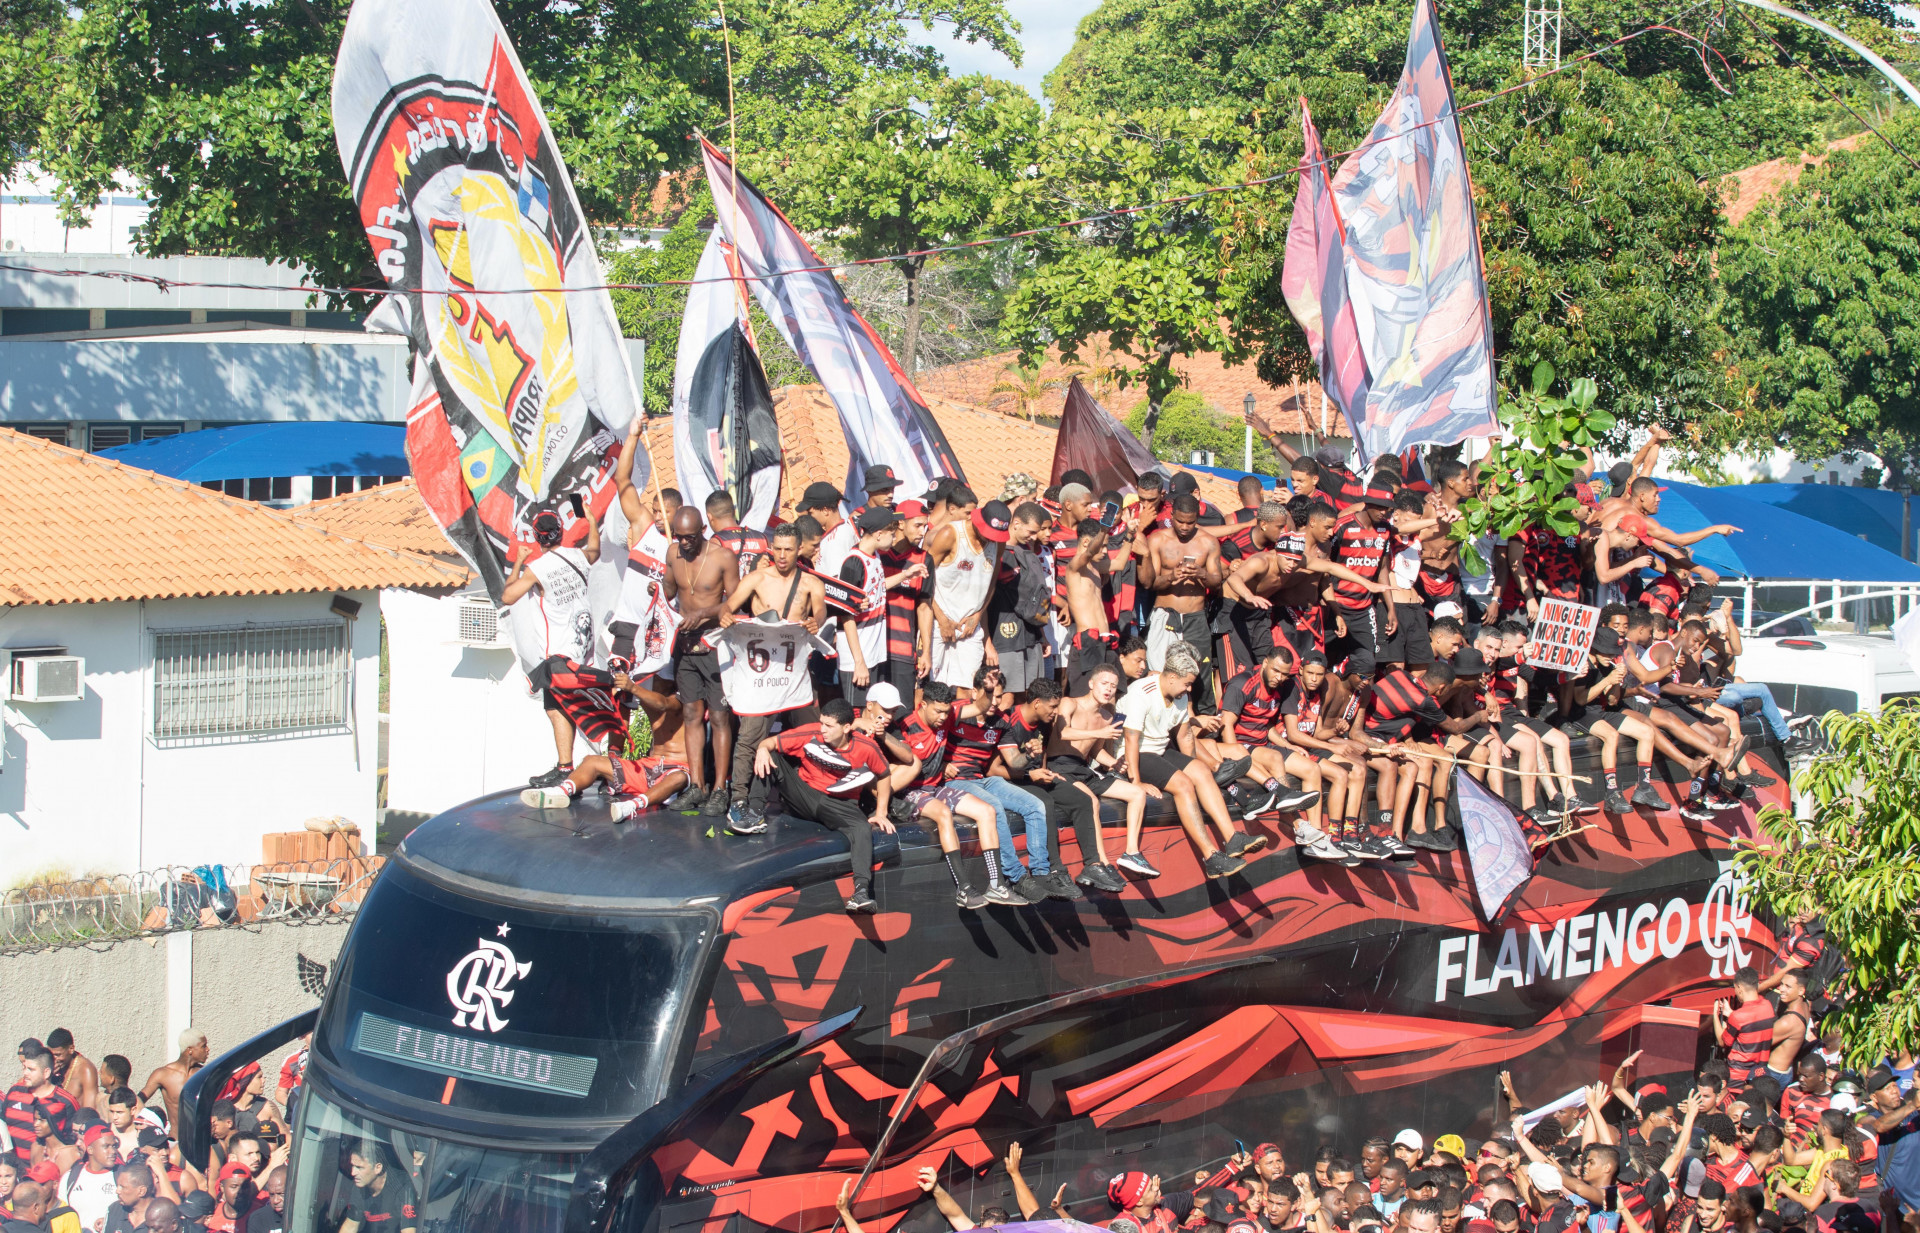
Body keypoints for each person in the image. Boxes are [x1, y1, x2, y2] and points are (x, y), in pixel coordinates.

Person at [717, 522, 829, 832]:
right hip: (761, 672)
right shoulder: (757, 578)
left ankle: (807, 794)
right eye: (776, 549)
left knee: (810, 733)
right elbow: (727, 605)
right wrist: (725, 615)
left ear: (798, 550)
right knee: (751, 735)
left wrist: (813, 621)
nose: (781, 556)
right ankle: (737, 802)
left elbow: (820, 612)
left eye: (788, 550)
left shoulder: (811, 583)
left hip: (794, 672)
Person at [1118, 641, 1258, 879]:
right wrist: (1136, 781)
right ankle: (1211, 856)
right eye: (1187, 683)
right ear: (1171, 677)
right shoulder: (1141, 693)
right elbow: (1130, 740)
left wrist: (1194, 767)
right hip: (1131, 754)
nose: (1190, 689)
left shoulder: (1179, 695)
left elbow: (1184, 735)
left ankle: (1232, 838)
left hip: (1158, 749)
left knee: (1201, 772)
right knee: (1183, 784)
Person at [752, 699, 893, 913]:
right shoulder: (811, 733)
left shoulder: (866, 747)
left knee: (863, 829)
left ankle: (861, 892)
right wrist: (762, 748)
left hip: (840, 804)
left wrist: (881, 812)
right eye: (822, 723)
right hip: (803, 795)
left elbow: (884, 774)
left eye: (829, 726)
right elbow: (770, 743)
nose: (822, 729)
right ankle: (752, 814)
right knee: (771, 757)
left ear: (846, 728)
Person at [501, 506, 601, 789]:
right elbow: (595, 549)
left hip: (559, 653)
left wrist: (519, 562)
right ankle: (569, 765)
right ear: (561, 531)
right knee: (565, 708)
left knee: (557, 707)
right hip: (583, 650)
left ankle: (566, 767)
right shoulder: (578, 556)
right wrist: (592, 521)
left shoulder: (538, 569)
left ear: (537, 538)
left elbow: (508, 596)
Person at [658, 503, 740, 814]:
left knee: (719, 717)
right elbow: (667, 592)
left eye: (690, 537)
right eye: (680, 537)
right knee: (691, 715)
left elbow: (736, 601)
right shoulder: (673, 553)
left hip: (715, 643)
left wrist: (704, 614)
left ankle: (720, 789)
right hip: (685, 646)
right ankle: (697, 786)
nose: (685, 543)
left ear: (703, 531)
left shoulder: (722, 557)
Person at [1138, 494, 1226, 713]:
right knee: (1160, 670)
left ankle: (1205, 722)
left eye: (1190, 522)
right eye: (1180, 521)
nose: (1185, 527)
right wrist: (1171, 576)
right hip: (1165, 615)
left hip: (1195, 617)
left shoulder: (1208, 542)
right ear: (1171, 516)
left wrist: (1201, 573)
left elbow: (1216, 581)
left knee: (1201, 670)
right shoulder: (1158, 540)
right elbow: (1150, 583)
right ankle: (1157, 718)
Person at [926, 489, 1000, 689]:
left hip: (970, 627)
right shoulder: (951, 534)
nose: (990, 538)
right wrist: (941, 619)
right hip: (937, 623)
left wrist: (979, 613)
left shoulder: (997, 542)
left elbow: (991, 582)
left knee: (967, 689)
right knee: (928, 689)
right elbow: (924, 578)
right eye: (988, 533)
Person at [6, 1045, 78, 1168]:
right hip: (11, 1175)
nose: (25, 1073)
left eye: (31, 1069)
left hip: (43, 1174)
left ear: (46, 1073)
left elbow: (74, 1140)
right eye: (24, 1068)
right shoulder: (14, 1092)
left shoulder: (65, 1102)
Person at [337, 1143, 417, 1233]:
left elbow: (408, 1231)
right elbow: (350, 1226)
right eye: (353, 1166)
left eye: (359, 1167)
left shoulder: (403, 1186)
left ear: (378, 1168)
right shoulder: (360, 1184)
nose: (353, 1172)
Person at [57, 1127, 119, 1230]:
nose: (112, 1151)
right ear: (90, 1149)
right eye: (106, 1146)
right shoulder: (70, 1178)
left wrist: (111, 1221)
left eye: (114, 1146)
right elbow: (61, 1217)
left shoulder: (121, 1176)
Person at [43, 1035, 97, 1122]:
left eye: (58, 1055)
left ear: (71, 1049)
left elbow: (89, 1112)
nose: (54, 1059)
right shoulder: (50, 1067)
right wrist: (48, 1076)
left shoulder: (85, 1069)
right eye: (51, 1055)